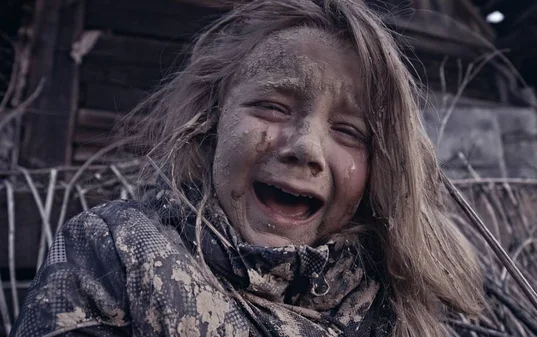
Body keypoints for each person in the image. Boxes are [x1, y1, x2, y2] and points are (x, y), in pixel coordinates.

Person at [11, 0, 483, 336]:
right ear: (212, 120)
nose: (306, 149)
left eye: (349, 131)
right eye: (273, 107)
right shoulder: (116, 251)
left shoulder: (397, 310)